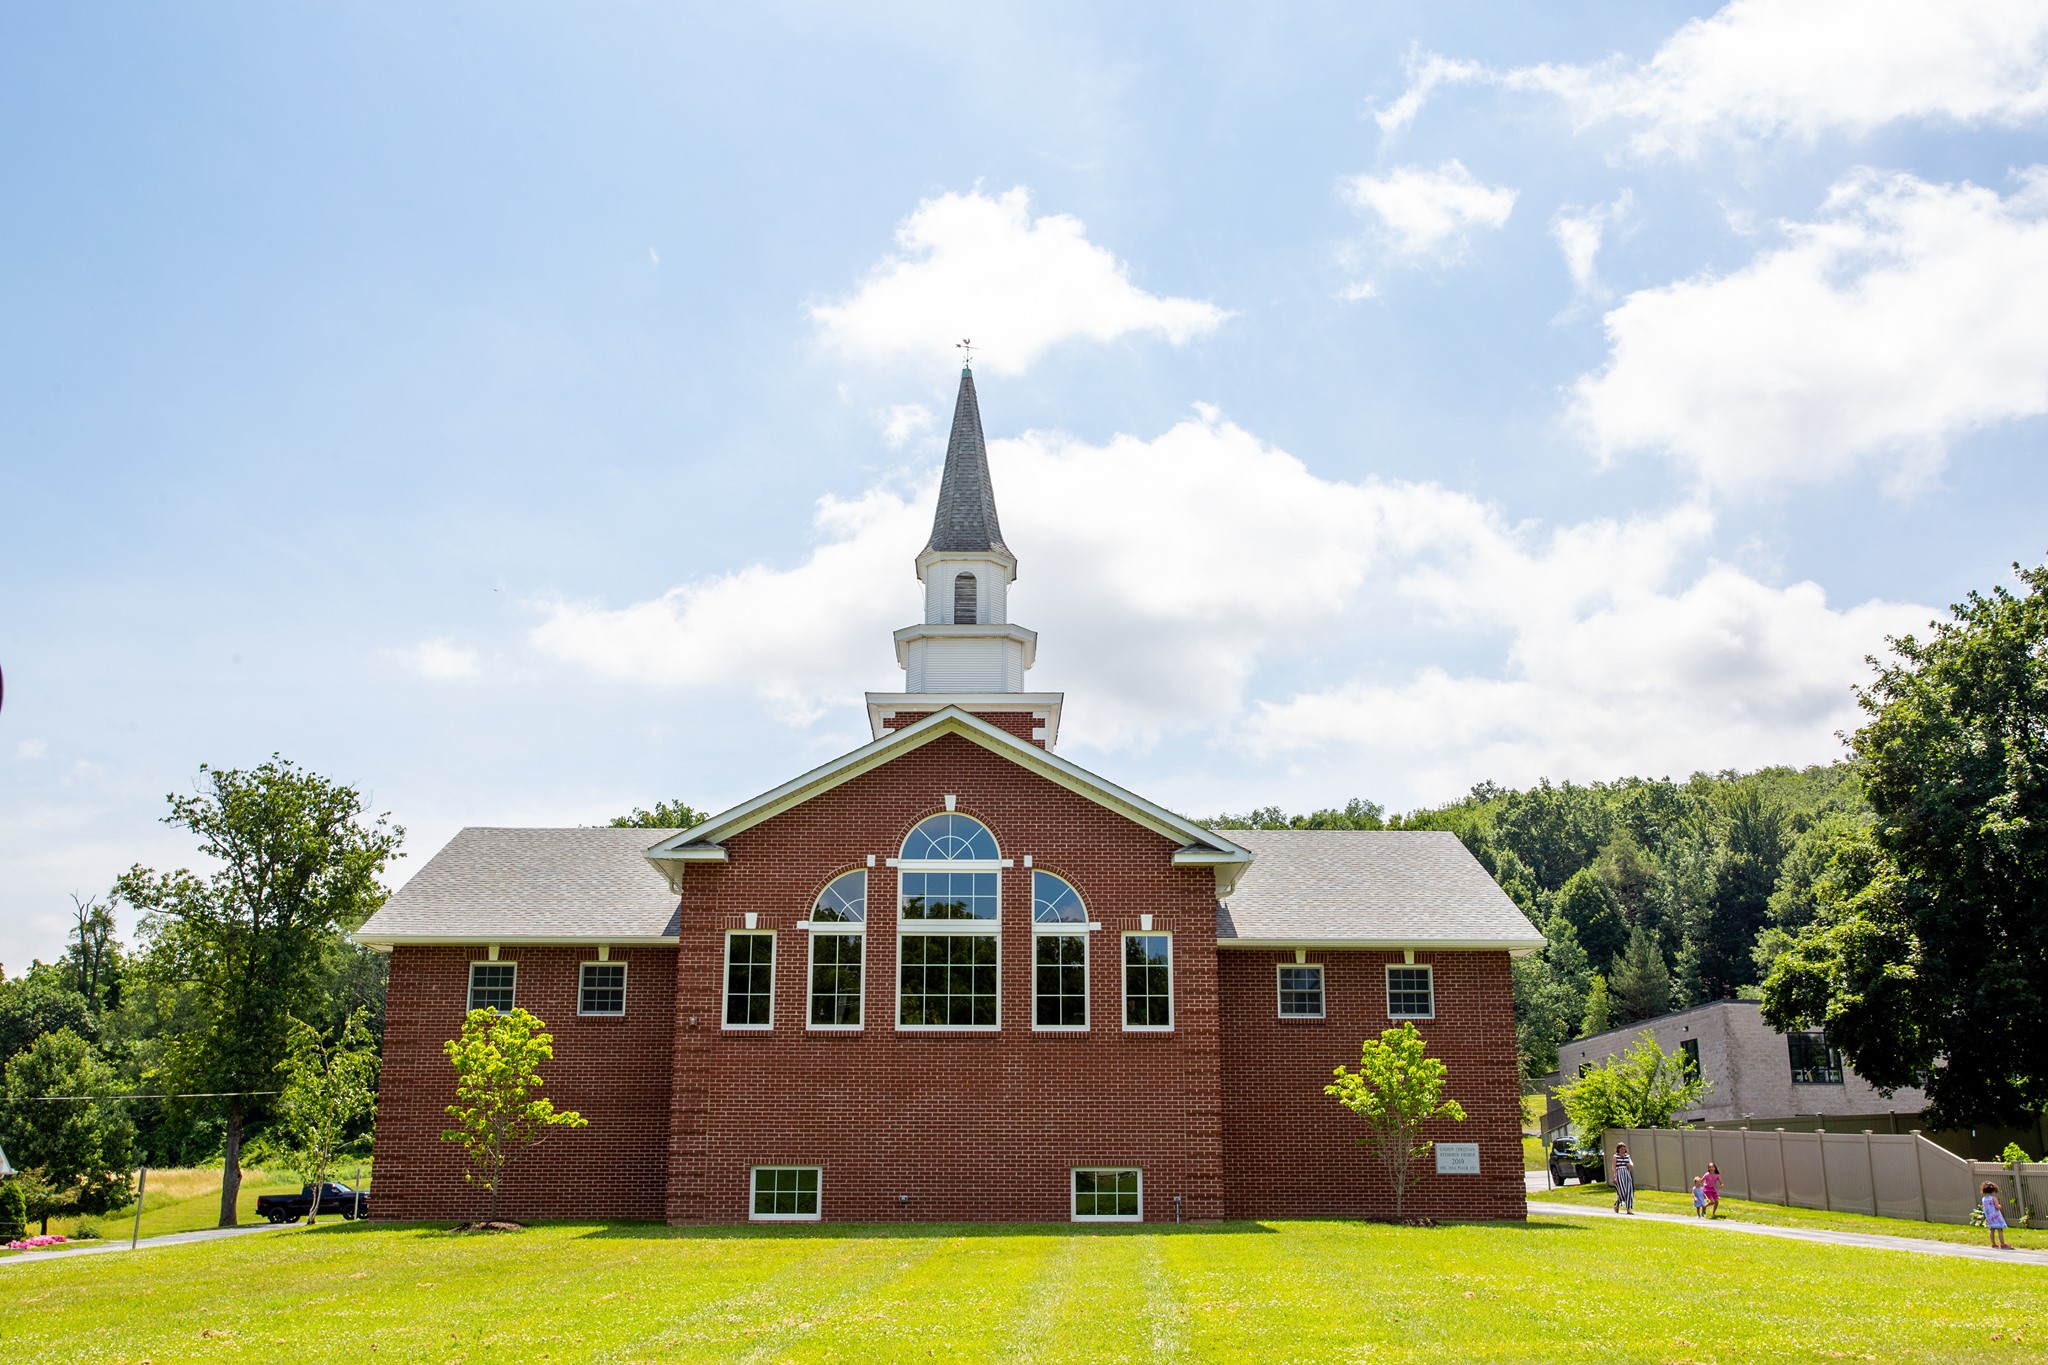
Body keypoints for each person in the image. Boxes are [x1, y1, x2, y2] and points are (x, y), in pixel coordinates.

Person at [1982, 1182, 2014, 1250]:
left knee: (1992, 1230)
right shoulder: (1993, 1198)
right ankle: (2002, 1244)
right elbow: (1997, 1206)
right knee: (1999, 1229)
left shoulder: (1984, 1199)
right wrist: (1999, 1206)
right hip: (1996, 1216)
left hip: (1989, 1217)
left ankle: (1993, 1244)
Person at [1612, 1142, 1635, 1214]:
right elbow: (1614, 1167)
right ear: (1618, 1149)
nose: (1623, 1150)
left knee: (1629, 1191)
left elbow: (1632, 1164)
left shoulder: (1627, 1156)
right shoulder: (1615, 1156)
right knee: (1622, 1190)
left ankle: (1628, 1209)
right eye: (1621, 1149)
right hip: (1619, 1172)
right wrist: (1615, 1176)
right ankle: (1617, 1203)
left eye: (1624, 1149)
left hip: (1626, 1173)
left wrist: (1629, 1165)